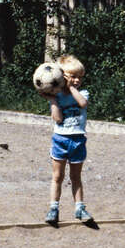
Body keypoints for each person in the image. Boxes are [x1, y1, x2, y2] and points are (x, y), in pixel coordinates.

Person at [44, 54, 92, 225]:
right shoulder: (57, 96)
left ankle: (80, 208)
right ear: (62, 76)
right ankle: (53, 208)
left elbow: (83, 104)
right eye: (73, 76)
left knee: (76, 176)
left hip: (78, 140)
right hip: (60, 139)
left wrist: (72, 88)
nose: (77, 80)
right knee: (57, 176)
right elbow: (57, 118)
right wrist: (52, 101)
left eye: (79, 77)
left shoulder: (82, 93)